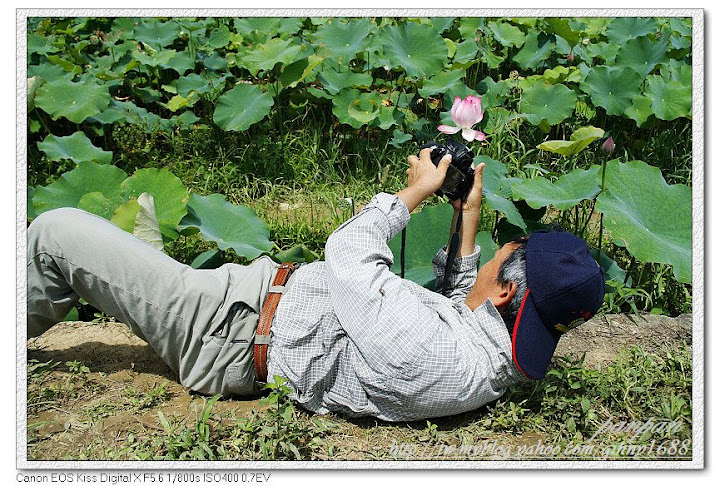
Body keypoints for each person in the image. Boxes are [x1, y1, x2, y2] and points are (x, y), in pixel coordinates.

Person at [26, 148, 605, 422]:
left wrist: (415, 193)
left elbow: (348, 251)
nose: (492, 256)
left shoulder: (434, 355)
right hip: (246, 309)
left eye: (502, 256)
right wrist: (466, 214)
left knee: (56, 232)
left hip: (222, 327)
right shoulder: (488, 353)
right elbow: (460, 305)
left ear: (506, 293)